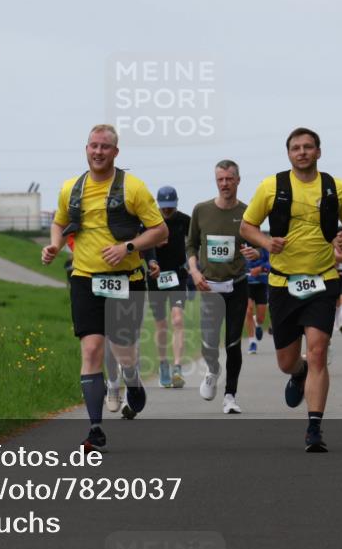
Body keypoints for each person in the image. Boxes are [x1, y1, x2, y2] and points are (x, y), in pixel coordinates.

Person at [42, 124, 167, 452]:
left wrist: (127, 248)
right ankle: (95, 429)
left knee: (123, 351)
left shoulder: (133, 188)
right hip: (85, 279)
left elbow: (160, 231)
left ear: (115, 152)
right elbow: (59, 222)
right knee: (92, 350)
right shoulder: (72, 188)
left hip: (127, 280)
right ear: (86, 149)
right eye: (93, 146)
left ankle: (132, 378)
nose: (98, 152)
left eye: (105, 147)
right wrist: (54, 245)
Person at [240, 127, 342, 452]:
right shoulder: (272, 186)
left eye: (308, 147)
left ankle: (314, 429)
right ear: (289, 154)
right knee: (286, 361)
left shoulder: (336, 188)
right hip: (282, 283)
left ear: (319, 152)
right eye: (296, 147)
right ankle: (299, 372)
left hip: (323, 279)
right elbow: (246, 226)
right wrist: (267, 242)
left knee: (320, 350)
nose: (303, 152)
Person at [187, 160, 258, 415]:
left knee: (232, 343)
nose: (225, 184)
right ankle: (213, 369)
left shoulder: (248, 213)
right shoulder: (201, 210)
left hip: (236, 285)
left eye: (229, 179)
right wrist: (194, 272)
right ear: (216, 181)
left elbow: (256, 244)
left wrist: (254, 251)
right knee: (209, 341)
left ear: (238, 180)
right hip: (208, 286)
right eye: (220, 179)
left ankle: (230, 395)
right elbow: (191, 245)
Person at [144, 186, 191, 389]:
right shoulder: (149, 222)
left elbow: (196, 241)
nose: (167, 211)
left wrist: (193, 261)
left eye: (171, 207)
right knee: (161, 325)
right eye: (164, 208)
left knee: (178, 320)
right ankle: (163, 363)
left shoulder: (183, 220)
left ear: (176, 203)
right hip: (156, 278)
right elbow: (141, 247)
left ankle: (178, 367)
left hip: (177, 276)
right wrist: (152, 255)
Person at [244, 243, 270, 354]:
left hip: (261, 283)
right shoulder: (241, 244)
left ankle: (257, 322)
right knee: (248, 310)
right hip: (246, 284)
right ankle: (252, 342)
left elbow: (272, 262)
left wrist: (261, 268)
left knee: (261, 318)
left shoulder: (263, 244)